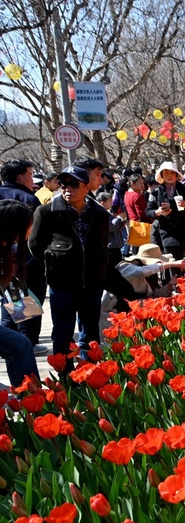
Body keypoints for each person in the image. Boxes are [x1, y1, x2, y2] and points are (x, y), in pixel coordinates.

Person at [28, 167, 109, 368]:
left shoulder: (99, 213)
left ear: (87, 187)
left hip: (92, 284)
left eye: (74, 184)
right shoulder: (46, 212)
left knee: (90, 334)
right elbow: (35, 245)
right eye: (63, 184)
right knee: (62, 334)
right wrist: (54, 262)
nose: (67, 189)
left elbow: (103, 245)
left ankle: (90, 374)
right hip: (62, 285)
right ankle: (65, 377)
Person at [0, 160, 46, 354]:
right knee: (22, 304)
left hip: (14, 266)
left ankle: (17, 343)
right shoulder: (27, 199)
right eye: (30, 174)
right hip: (26, 263)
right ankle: (27, 342)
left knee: (13, 303)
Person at [0, 200, 40, 388]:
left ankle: (33, 399)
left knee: (21, 344)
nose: (32, 228)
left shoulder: (6, 250)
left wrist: (26, 312)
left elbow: (14, 292)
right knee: (19, 344)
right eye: (30, 224)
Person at [146, 161, 185, 274]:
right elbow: (148, 211)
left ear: (176, 175)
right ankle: (178, 284)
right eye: (166, 173)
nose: (169, 175)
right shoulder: (155, 192)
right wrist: (158, 212)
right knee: (174, 266)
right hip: (168, 233)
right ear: (161, 175)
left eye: (172, 173)